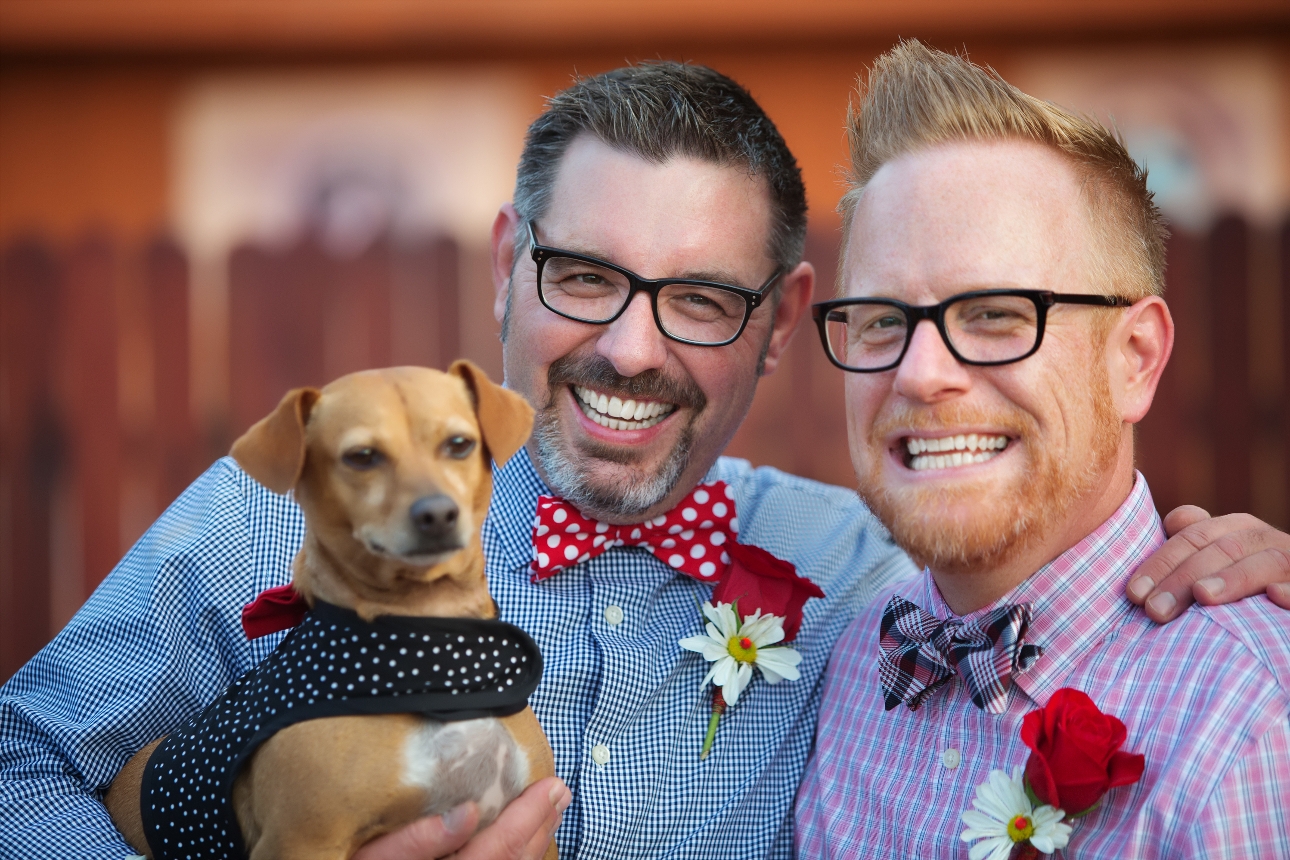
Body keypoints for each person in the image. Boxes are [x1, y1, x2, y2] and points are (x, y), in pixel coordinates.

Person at [1, 62, 1286, 860]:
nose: (629, 347)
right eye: (584, 276)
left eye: (700, 299)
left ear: (783, 323)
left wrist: (1248, 563)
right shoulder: (279, 512)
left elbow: (1038, 548)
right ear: (510, 262)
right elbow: (25, 765)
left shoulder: (864, 573)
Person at [794, 42, 1290, 858]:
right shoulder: (846, 666)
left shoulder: (1248, 721)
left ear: (1134, 359)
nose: (919, 375)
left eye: (994, 313)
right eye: (881, 320)